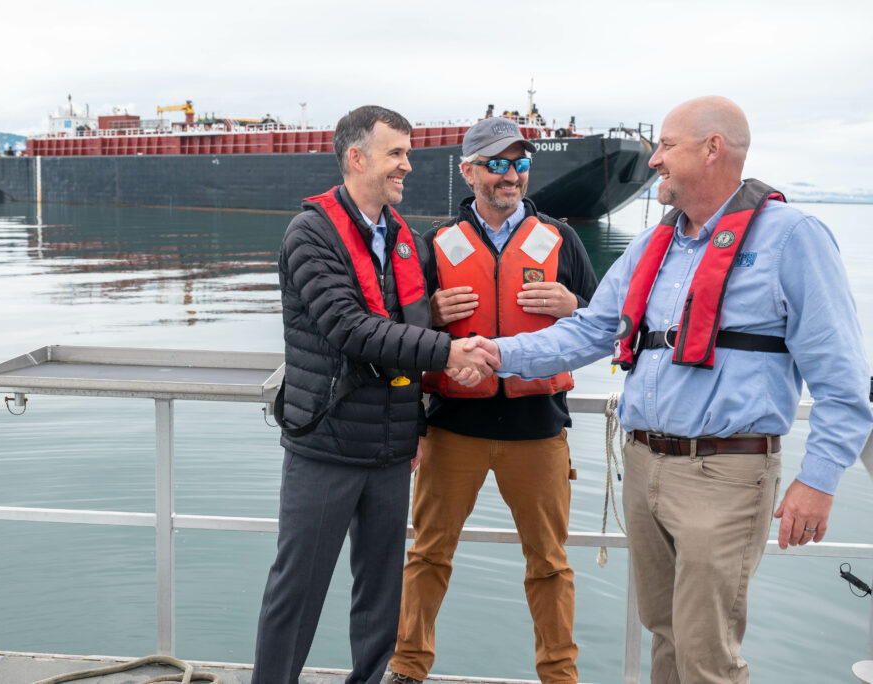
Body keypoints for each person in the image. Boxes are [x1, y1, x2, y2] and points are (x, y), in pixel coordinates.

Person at [454, 96, 873, 682]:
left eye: (667, 146)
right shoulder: (657, 244)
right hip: (645, 466)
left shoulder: (793, 237)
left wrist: (819, 479)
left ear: (712, 149)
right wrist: (496, 352)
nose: (654, 160)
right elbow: (593, 330)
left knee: (707, 653)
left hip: (723, 476)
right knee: (666, 634)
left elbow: (843, 378)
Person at [251, 105, 498, 684]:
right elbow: (348, 327)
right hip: (327, 445)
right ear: (356, 157)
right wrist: (447, 354)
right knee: (298, 590)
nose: (408, 166)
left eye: (407, 154)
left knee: (382, 597)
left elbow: (413, 332)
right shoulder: (310, 234)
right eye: (396, 154)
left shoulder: (407, 239)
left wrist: (441, 379)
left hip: (391, 450)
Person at [389, 117, 597, 684]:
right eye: (498, 164)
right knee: (428, 555)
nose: (511, 175)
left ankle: (559, 676)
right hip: (453, 427)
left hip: (538, 431)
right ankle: (408, 668)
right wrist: (429, 317)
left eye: (520, 163)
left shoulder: (562, 240)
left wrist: (574, 305)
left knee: (550, 564)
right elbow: (399, 333)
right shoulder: (434, 244)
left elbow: (609, 325)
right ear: (469, 171)